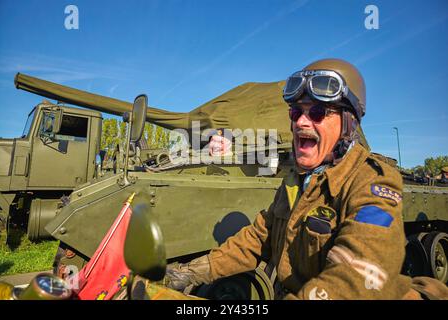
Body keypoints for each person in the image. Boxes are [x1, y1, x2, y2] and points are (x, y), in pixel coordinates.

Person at [163, 59, 428, 299]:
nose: (301, 122)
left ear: (349, 123)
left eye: (317, 113)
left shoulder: (372, 182)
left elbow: (360, 272)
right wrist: (187, 273)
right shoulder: (297, 180)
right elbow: (256, 239)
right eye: (295, 112)